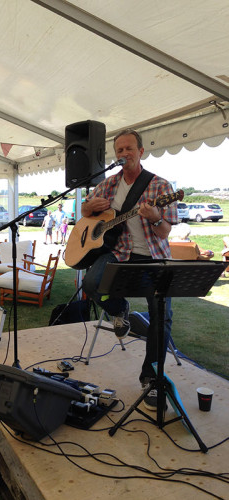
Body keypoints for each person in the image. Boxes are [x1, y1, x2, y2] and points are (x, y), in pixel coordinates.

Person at [81, 128, 178, 411]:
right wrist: (88, 209)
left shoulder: (161, 187)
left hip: (153, 256)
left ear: (141, 152)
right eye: (119, 150)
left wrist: (157, 217)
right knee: (90, 285)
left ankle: (151, 376)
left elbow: (163, 233)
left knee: (162, 316)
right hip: (120, 254)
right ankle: (120, 310)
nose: (124, 154)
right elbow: (86, 212)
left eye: (129, 149)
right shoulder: (109, 184)